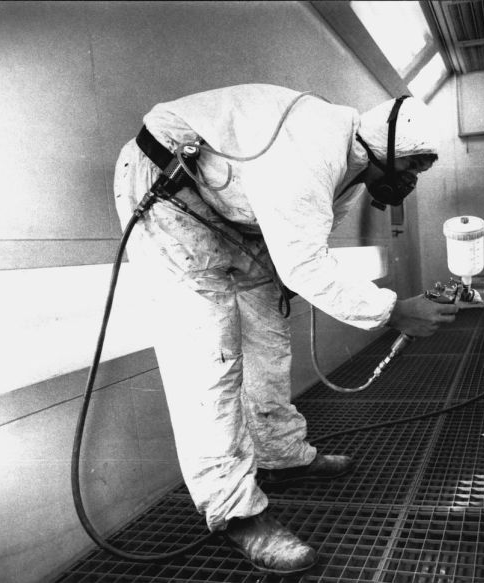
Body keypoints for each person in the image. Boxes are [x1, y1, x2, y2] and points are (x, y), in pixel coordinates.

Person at [112, 84, 458, 575]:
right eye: (411, 168)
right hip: (169, 189)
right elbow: (303, 264)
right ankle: (233, 511)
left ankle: (280, 455)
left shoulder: (348, 167)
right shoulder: (314, 149)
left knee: (268, 336)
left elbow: (303, 245)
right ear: (382, 151)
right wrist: (393, 310)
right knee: (209, 357)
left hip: (232, 215)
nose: (411, 183)